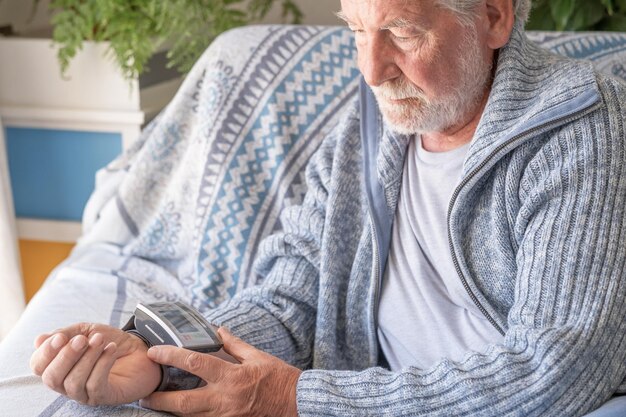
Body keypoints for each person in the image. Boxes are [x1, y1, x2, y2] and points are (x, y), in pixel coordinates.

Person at [29, 0, 626, 415]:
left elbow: (557, 371)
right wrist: (166, 364)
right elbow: (294, 298)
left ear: (493, 16)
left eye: (403, 31)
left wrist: (302, 401)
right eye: (357, 31)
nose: (371, 69)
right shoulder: (370, 125)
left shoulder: (579, 124)